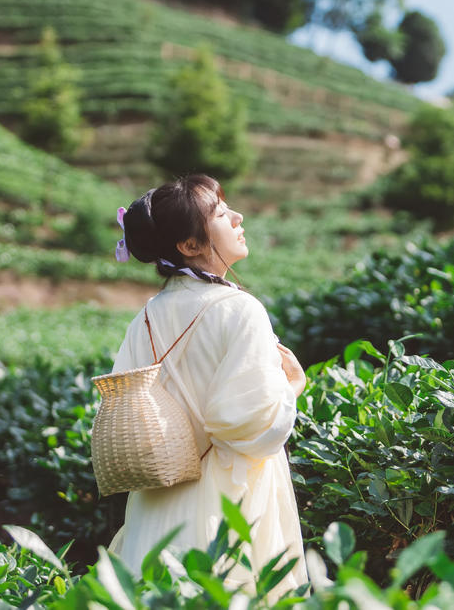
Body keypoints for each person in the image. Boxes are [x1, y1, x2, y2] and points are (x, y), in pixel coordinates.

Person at [105, 174, 308, 598]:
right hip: (225, 502)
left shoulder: (145, 317)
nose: (236, 217)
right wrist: (293, 387)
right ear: (190, 245)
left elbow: (124, 402)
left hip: (157, 500)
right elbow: (249, 425)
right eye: (219, 213)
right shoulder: (240, 310)